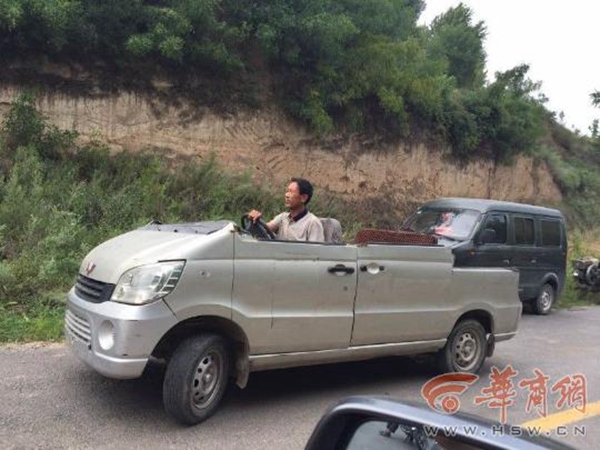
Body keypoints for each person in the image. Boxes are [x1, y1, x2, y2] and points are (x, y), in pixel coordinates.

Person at [248, 178, 325, 242]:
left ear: (303, 198)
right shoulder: (283, 217)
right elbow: (266, 229)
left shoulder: (312, 223)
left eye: (291, 192)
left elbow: (316, 253)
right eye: (287, 191)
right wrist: (255, 219)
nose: (286, 195)